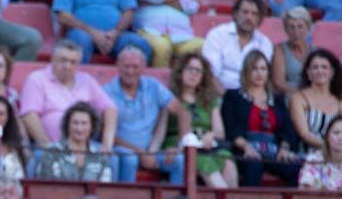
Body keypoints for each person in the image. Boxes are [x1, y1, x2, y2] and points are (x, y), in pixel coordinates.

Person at [104, 45, 190, 183]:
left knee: (180, 160)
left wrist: (179, 146)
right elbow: (107, 134)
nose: (130, 71)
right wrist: (140, 153)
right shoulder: (108, 91)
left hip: (152, 152)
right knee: (130, 159)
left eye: (135, 66)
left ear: (144, 68)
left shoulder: (154, 86)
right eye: (126, 66)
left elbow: (182, 112)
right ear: (118, 66)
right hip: (123, 151)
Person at [222, 50, 301, 187]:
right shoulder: (233, 97)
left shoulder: (277, 99)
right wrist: (246, 147)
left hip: (273, 151)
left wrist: (284, 148)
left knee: (296, 167)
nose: (259, 73)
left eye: (263, 69)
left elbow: (288, 128)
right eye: (254, 69)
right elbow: (230, 127)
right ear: (246, 71)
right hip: (244, 150)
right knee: (254, 164)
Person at [19, 39, 118, 148]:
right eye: (63, 60)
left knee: (121, 157)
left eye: (73, 62)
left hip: (84, 147)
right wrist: (48, 146)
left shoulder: (87, 81)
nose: (68, 66)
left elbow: (110, 109)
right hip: (51, 145)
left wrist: (107, 145)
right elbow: (29, 116)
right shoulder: (37, 79)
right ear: (53, 59)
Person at [164, 52, 236, 188]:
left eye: (198, 71)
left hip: (206, 143)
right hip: (179, 142)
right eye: (190, 69)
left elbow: (219, 131)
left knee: (227, 158)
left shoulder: (209, 100)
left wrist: (211, 135)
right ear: (180, 71)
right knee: (205, 162)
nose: (194, 74)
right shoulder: (170, 97)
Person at [52, 0, 152, 64]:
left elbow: (129, 10)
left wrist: (115, 33)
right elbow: (62, 15)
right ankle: (80, 82)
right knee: (80, 40)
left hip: (114, 36)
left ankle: (127, 82)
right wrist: (93, 33)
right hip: (83, 33)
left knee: (141, 44)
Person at [126, 0, 203, 68]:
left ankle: (182, 82)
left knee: (203, 46)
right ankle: (158, 82)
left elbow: (192, 5)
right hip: (149, 31)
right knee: (161, 46)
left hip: (181, 35)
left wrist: (155, 0)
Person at [202, 0, 273, 92]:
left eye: (254, 14)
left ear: (259, 19)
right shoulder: (217, 35)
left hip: (250, 96)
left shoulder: (264, 43)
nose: (249, 17)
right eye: (245, 12)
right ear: (236, 14)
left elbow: (261, 78)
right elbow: (210, 74)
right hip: (219, 93)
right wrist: (229, 100)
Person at [30, 101, 113, 181]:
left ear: (92, 127)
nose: (79, 128)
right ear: (67, 125)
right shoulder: (52, 152)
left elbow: (105, 190)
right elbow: (43, 186)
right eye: (75, 123)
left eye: (84, 123)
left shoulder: (100, 157)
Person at [289, 48, 342, 151]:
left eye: (324, 67)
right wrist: (329, 147)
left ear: (332, 72)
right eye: (315, 67)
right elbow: (304, 134)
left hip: (336, 154)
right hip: (307, 154)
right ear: (308, 72)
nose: (320, 71)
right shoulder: (298, 98)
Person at [298, 114, 342, 190]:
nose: (340, 137)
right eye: (336, 133)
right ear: (327, 137)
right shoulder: (314, 160)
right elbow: (306, 190)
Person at [271, 6, 313, 95]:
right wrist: (302, 94)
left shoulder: (314, 51)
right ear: (286, 30)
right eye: (291, 27)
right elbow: (278, 82)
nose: (296, 31)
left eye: (300, 26)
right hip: (289, 94)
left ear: (308, 28)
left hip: (312, 95)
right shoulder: (280, 49)